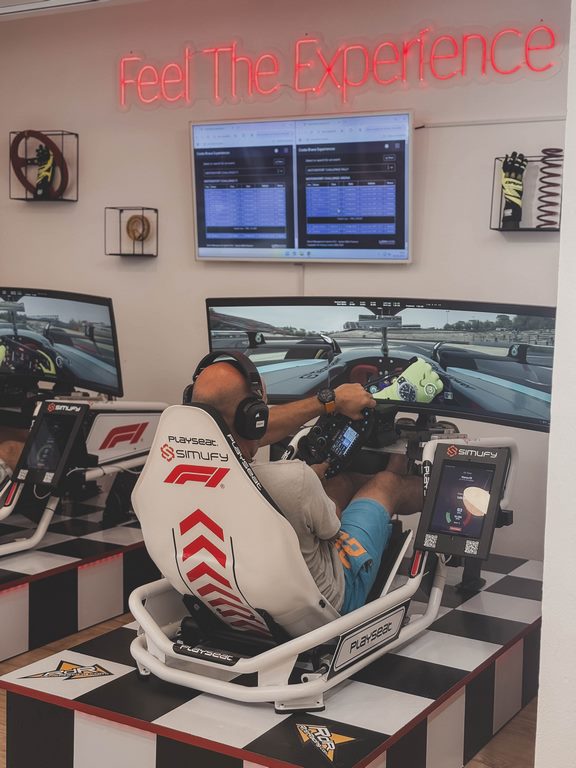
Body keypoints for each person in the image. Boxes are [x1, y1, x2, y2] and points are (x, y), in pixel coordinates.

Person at [192, 354, 442, 615]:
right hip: (329, 599)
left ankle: (390, 471)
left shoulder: (173, 479)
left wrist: (312, 484)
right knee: (386, 484)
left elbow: (242, 433)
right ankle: (398, 471)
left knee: (340, 482)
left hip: (245, 596)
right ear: (252, 418)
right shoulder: (294, 480)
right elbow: (331, 529)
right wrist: (310, 482)